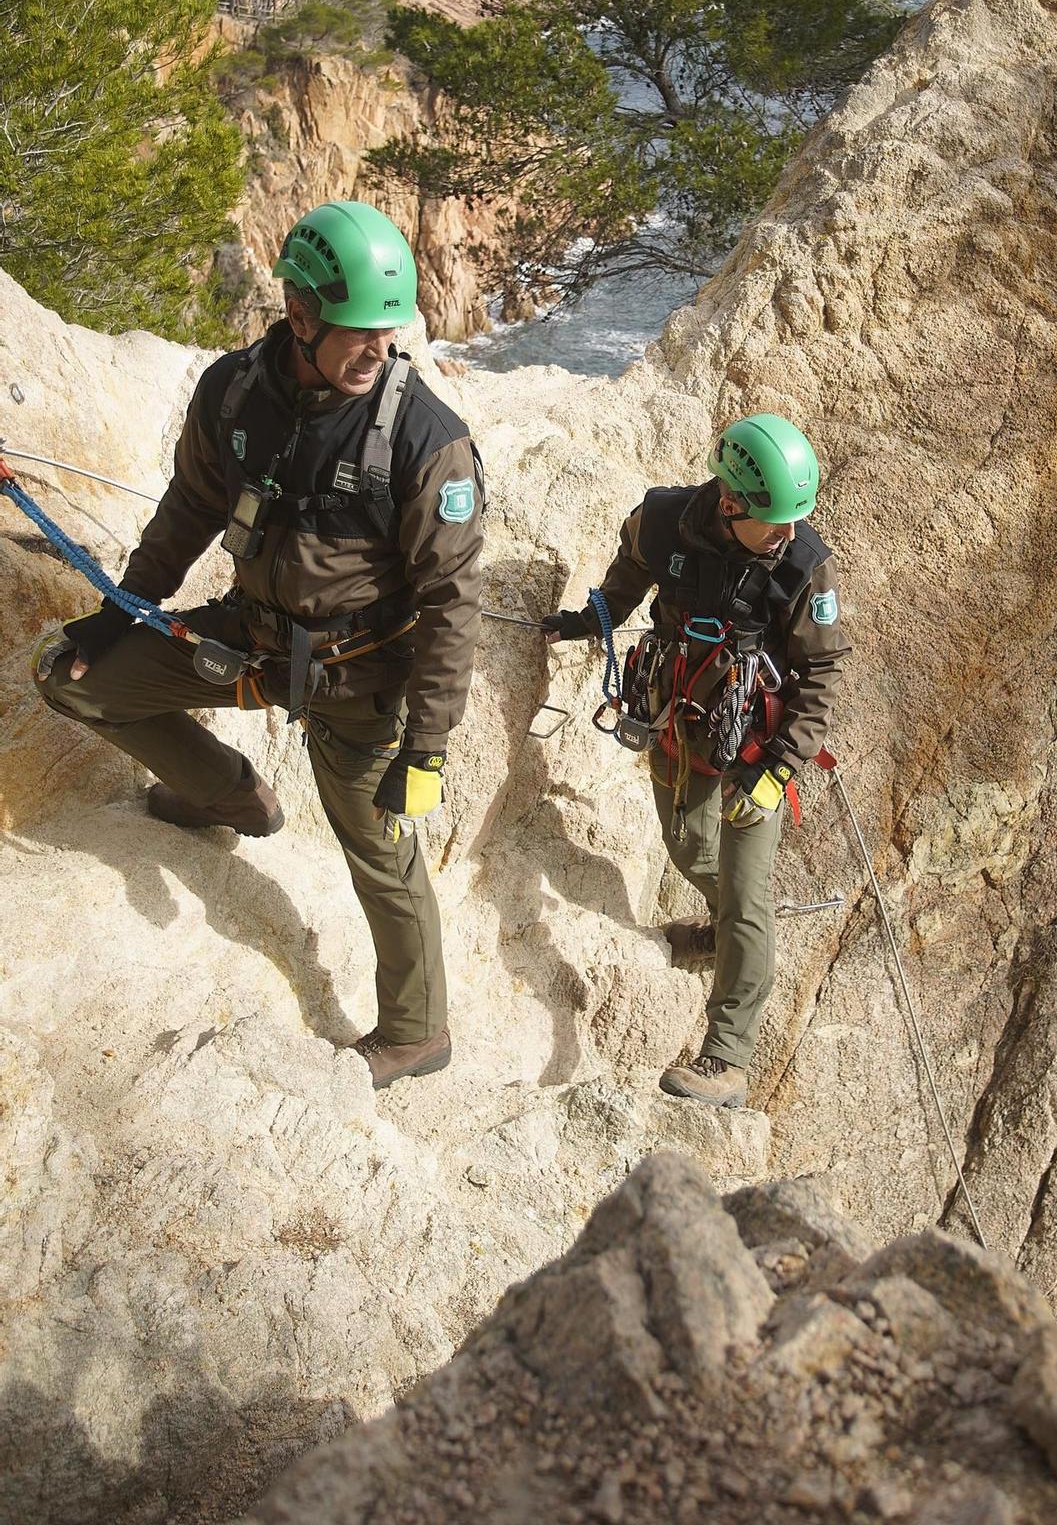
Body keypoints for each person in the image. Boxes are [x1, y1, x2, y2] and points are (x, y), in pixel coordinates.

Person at [34, 200, 483, 1091]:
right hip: (254, 638)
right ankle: (230, 797)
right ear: (300, 313)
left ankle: (416, 1031)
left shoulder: (427, 443)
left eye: (388, 332)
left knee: (380, 851)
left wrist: (425, 746)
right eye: (357, 332)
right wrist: (123, 610)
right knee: (72, 679)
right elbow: (192, 509)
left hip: (359, 678)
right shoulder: (235, 391)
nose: (378, 351)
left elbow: (452, 602)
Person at [543, 415, 849, 1107]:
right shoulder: (659, 521)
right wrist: (583, 620)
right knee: (685, 847)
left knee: (746, 892)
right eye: (774, 521)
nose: (788, 534)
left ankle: (727, 1056)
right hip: (678, 719)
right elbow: (624, 585)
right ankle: (734, 930)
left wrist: (777, 771)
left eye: (797, 520)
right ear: (729, 501)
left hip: (753, 745)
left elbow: (822, 672)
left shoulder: (803, 564)